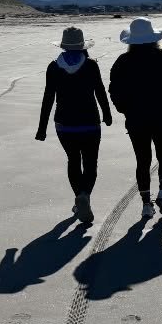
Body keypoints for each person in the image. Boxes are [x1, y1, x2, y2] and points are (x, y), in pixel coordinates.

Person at [108, 17, 162, 218]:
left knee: (142, 160)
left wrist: (124, 109)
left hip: (136, 119)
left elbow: (114, 90)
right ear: (154, 38)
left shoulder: (123, 62)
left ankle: (146, 204)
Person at [36, 26, 112, 225]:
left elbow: (48, 98)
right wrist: (107, 113)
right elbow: (100, 91)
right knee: (90, 163)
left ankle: (79, 196)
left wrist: (42, 128)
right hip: (90, 123)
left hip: (64, 124)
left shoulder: (54, 67)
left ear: (63, 46)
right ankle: (84, 195)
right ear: (82, 46)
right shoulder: (91, 65)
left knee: (73, 160)